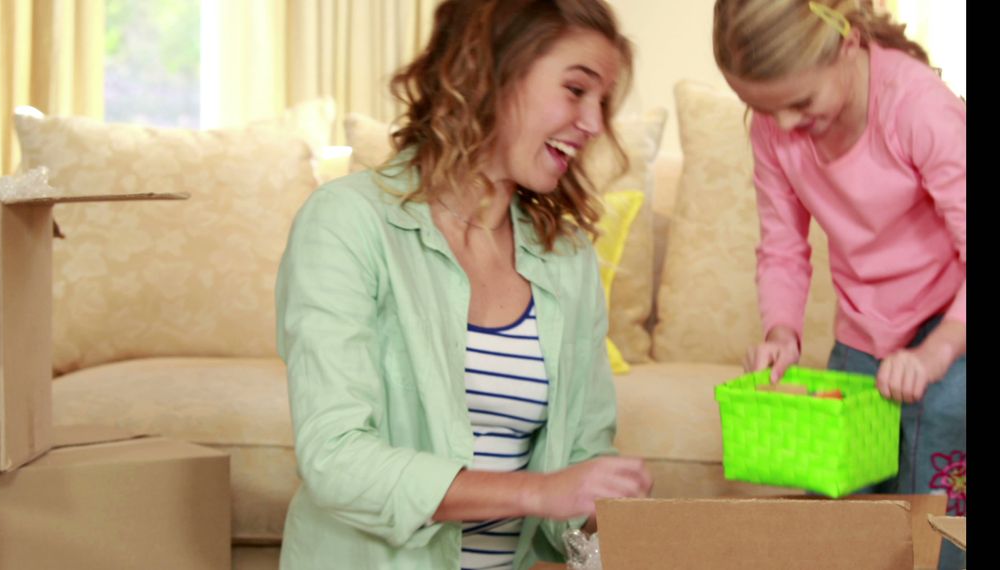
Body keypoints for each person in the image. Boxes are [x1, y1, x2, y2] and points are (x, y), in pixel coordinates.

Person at [274, 1, 653, 568]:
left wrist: (605, 507)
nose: (595, 124)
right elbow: (336, 459)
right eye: (576, 90)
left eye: (603, 102)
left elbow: (570, 499)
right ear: (490, 73)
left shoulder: (566, 257)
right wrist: (539, 492)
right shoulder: (348, 222)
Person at [713, 1, 965, 567]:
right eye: (760, 107)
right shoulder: (776, 129)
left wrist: (938, 351)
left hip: (951, 326)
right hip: (862, 329)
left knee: (935, 514)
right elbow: (782, 246)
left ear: (847, 40)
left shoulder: (918, 106)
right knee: (849, 512)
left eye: (799, 103)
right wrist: (782, 333)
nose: (781, 125)